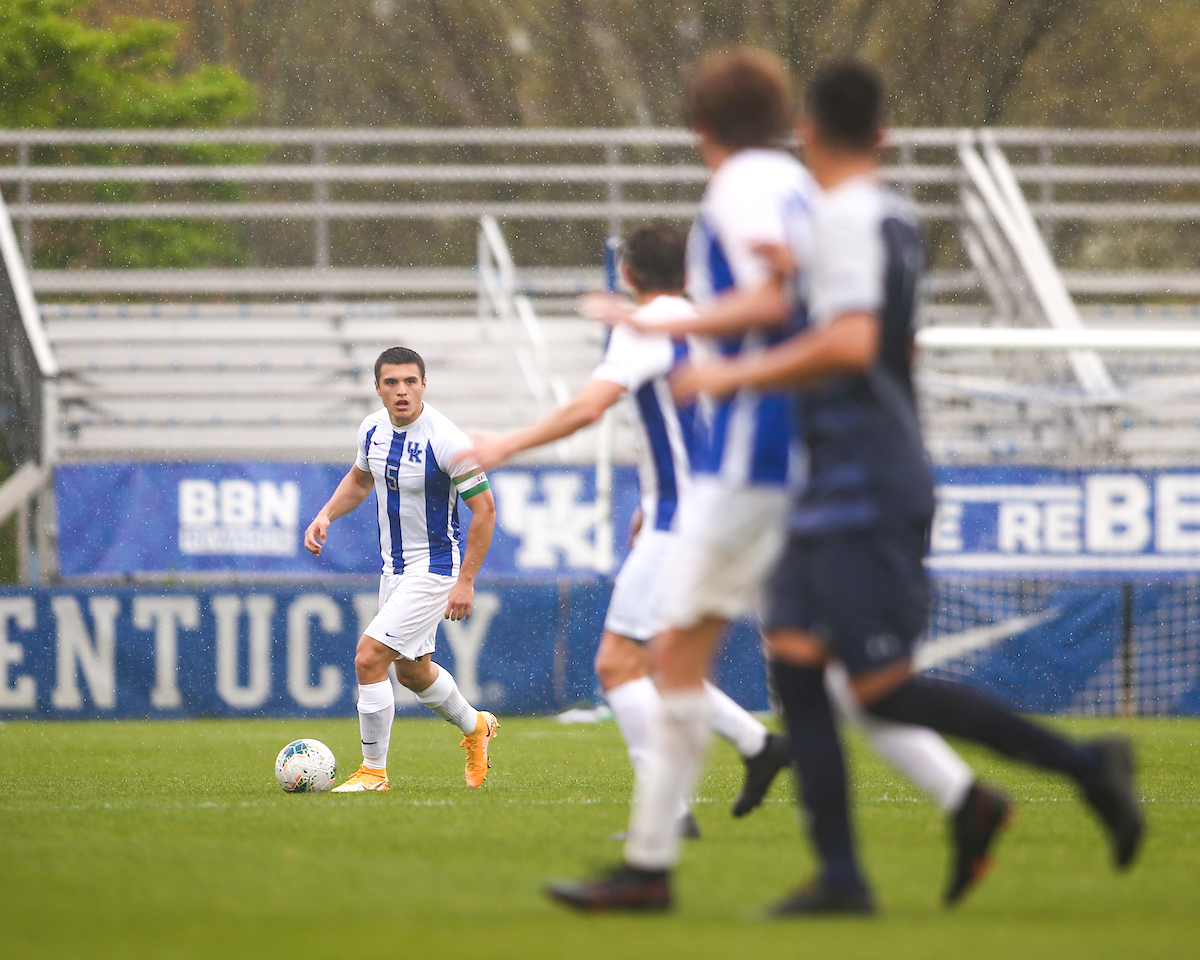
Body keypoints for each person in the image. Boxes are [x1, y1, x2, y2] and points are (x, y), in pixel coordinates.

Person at [672, 57, 1143, 915]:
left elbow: (853, 343)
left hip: (865, 480)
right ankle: (842, 877)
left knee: (879, 688)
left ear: (808, 133)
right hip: (844, 474)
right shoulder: (891, 215)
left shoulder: (844, 218)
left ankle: (1086, 765)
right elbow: (898, 342)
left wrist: (729, 376)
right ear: (884, 136)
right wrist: (796, 275)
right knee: (798, 666)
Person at [545, 47, 983, 914]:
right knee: (815, 667)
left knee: (665, 656)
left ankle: (652, 864)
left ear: (699, 125)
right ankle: (960, 800)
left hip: (754, 458)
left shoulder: (740, 188)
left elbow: (780, 301)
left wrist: (672, 330)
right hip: (810, 455)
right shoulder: (796, 184)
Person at [462, 223, 791, 836]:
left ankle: (669, 815)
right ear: (687, 274)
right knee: (666, 658)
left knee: (617, 665)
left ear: (629, 275)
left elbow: (588, 407)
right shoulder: (704, 323)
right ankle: (757, 745)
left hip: (681, 522)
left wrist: (508, 443)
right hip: (716, 509)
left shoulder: (645, 328)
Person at [304, 346, 500, 792]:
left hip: (435, 568)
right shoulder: (372, 429)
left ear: (424, 384)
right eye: (391, 382)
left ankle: (373, 773)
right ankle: (477, 727)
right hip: (394, 569)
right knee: (412, 672)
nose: (402, 391)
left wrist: (466, 581)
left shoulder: (446, 440)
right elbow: (360, 479)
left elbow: (485, 510)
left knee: (368, 657)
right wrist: (325, 515)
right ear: (377, 387)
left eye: (411, 381)